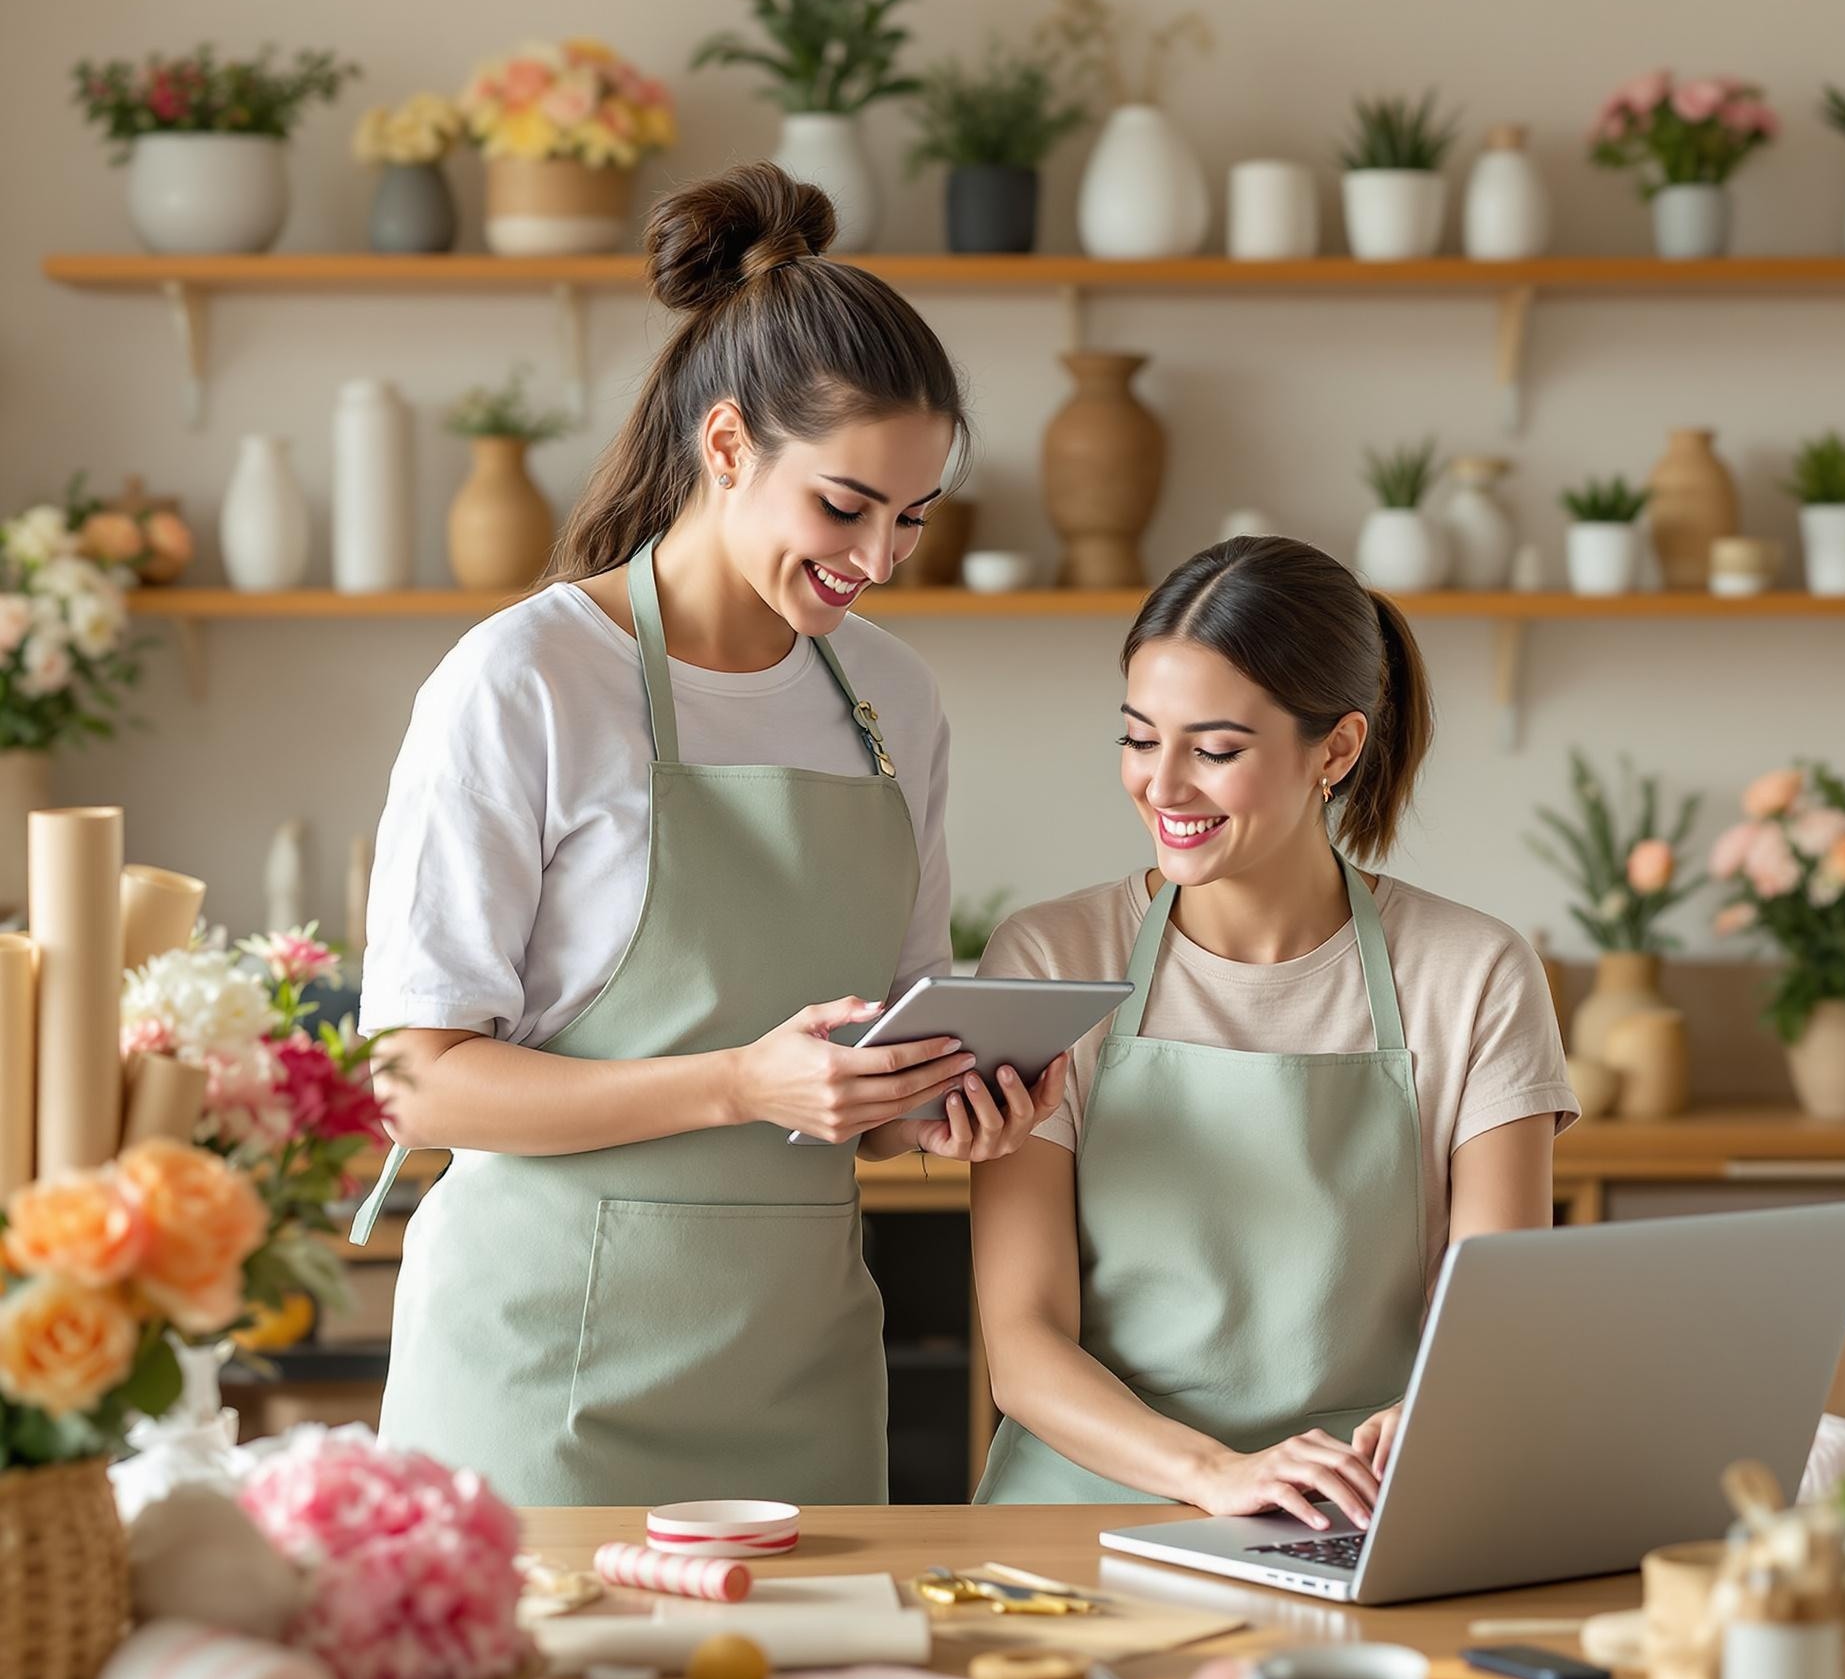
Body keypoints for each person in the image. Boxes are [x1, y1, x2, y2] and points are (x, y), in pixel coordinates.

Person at [353, 163, 1063, 1507]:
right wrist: (738, 1083)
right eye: (844, 507)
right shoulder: (528, 679)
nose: (879, 557)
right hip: (541, 1383)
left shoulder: (894, 699)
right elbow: (416, 1084)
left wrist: (938, 1111)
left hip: (796, 1377)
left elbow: (872, 1067)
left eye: (911, 518)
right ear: (728, 447)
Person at [971, 535, 1578, 1522]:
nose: (1161, 785)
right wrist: (1213, 1473)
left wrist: (1407, 1431)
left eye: (1213, 750)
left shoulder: (1472, 973)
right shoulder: (1052, 955)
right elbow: (1024, 1340)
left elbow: (1488, 1334)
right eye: (1136, 737)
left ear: (1334, 749)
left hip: (1353, 1506)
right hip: (1091, 1501)